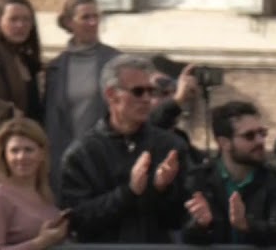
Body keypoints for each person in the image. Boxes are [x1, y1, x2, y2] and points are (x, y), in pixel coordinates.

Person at [59, 55, 189, 244]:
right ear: (111, 94)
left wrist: (162, 188)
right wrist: (129, 192)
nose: (147, 99)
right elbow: (76, 218)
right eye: (138, 92)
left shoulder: (170, 146)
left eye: (150, 91)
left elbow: (178, 219)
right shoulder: (82, 153)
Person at [43, 0, 119, 201]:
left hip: (104, 160)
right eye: (86, 17)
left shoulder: (116, 62)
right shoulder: (55, 68)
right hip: (65, 161)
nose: (93, 23)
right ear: (69, 22)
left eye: (96, 16)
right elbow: (52, 121)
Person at [183, 101, 276, 246]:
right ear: (224, 143)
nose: (260, 141)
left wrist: (247, 225)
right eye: (249, 136)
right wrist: (201, 225)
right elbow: (186, 237)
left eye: (262, 133)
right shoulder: (199, 178)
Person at [0, 118, 68, 250]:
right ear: (4, 156)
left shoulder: (46, 193)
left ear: (42, 153)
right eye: (14, 151)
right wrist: (40, 242)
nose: (21, 157)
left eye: (28, 150)